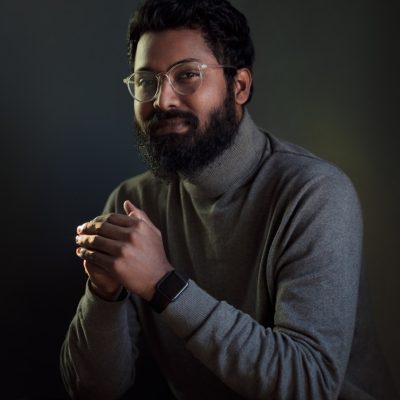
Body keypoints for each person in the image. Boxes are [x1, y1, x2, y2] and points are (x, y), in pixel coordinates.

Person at [60, 0, 399, 399]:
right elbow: (92, 390)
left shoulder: (315, 194)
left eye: (186, 75)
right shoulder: (133, 201)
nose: (163, 100)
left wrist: (163, 284)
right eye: (146, 81)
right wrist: (103, 293)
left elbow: (310, 384)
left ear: (239, 86)